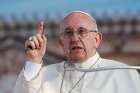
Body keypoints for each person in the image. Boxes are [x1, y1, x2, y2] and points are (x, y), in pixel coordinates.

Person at [13, 11, 140, 93]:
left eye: (82, 31)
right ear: (61, 43)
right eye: (68, 33)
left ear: (97, 39)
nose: (74, 38)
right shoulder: (42, 75)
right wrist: (34, 61)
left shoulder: (123, 73)